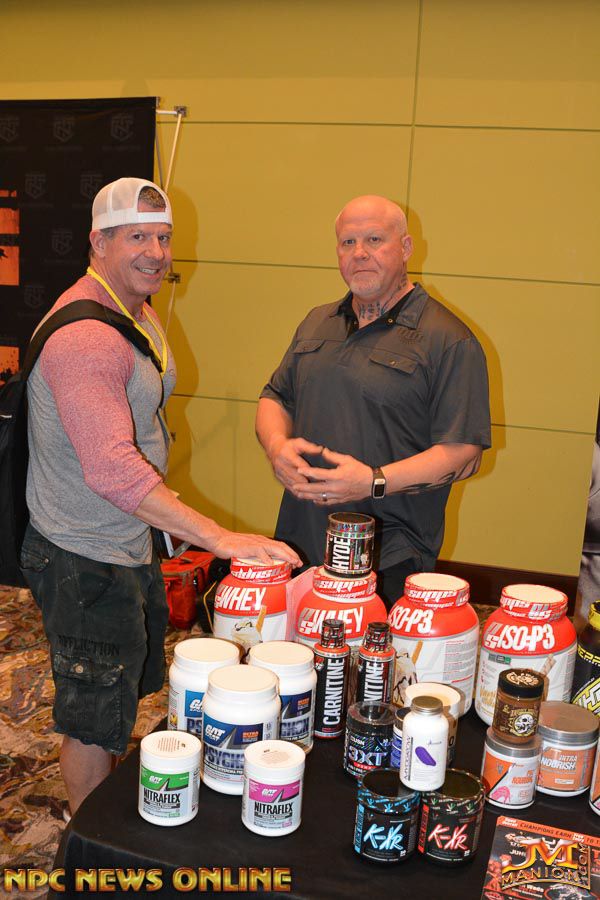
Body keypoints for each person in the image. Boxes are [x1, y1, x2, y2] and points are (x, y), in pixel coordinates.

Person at [20, 177, 300, 816]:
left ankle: (105, 815)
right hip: (83, 557)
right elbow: (112, 470)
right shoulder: (87, 337)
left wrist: (166, 524)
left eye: (164, 237)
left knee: (117, 699)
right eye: (137, 237)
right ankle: (87, 843)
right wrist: (219, 538)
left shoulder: (130, 310)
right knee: (93, 717)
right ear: (98, 242)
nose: (155, 252)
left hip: (122, 539)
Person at [256, 194, 491, 605]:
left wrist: (372, 481)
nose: (360, 253)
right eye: (348, 242)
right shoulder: (317, 321)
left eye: (375, 240)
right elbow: (275, 397)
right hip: (301, 546)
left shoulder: (449, 339)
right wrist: (276, 447)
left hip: (389, 556)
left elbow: (464, 453)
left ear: (406, 247)